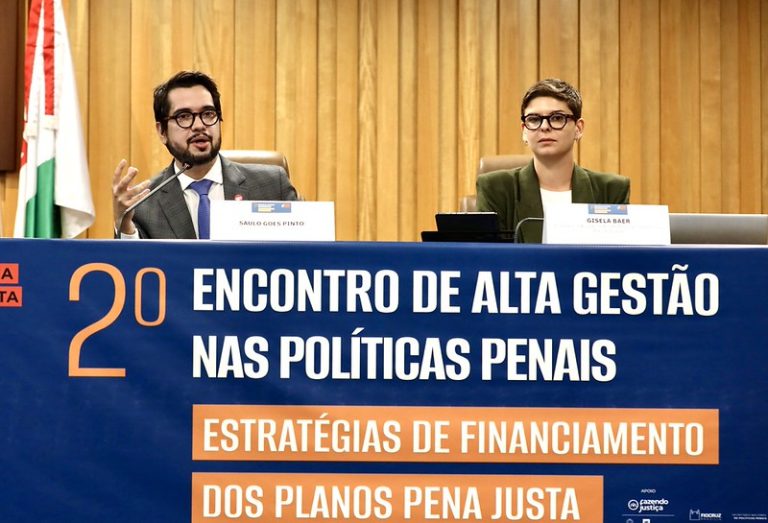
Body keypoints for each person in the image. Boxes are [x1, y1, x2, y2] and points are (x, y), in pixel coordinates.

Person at [112, 71, 298, 239]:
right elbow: (133, 263)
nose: (199, 125)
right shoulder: (143, 204)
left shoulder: (272, 186)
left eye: (208, 114)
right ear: (162, 131)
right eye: (184, 116)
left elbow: (305, 252)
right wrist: (124, 224)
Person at [476, 78, 629, 243]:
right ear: (524, 131)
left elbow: (616, 256)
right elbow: (488, 255)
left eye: (557, 118)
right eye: (534, 119)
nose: (544, 127)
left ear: (578, 129)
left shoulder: (611, 190)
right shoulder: (495, 189)